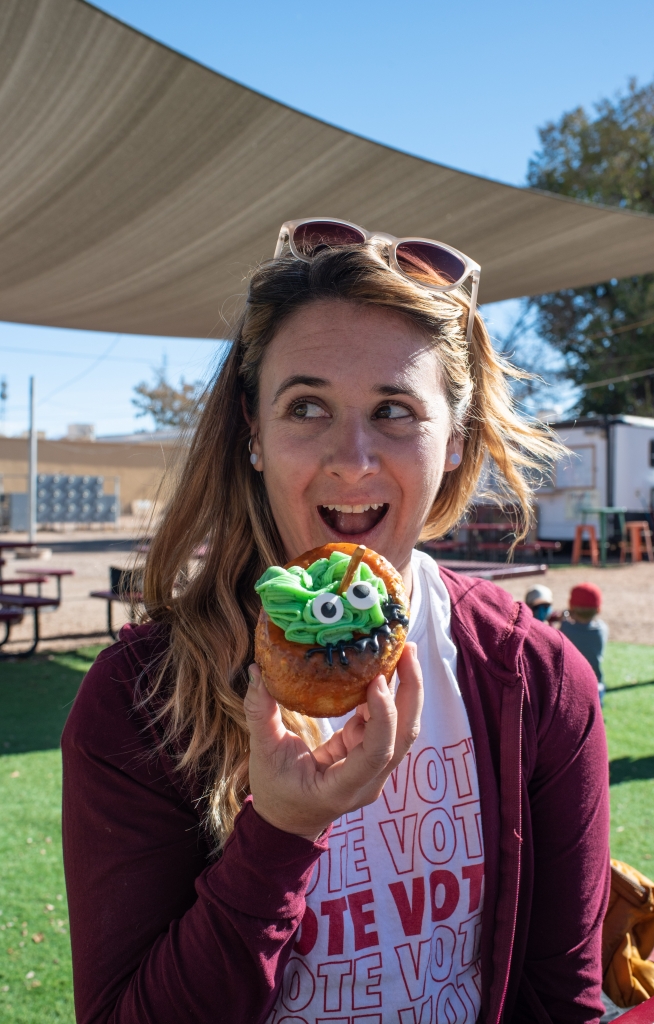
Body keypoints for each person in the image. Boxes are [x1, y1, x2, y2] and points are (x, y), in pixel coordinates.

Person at [62, 222, 610, 1024]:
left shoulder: (537, 680)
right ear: (253, 433)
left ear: (454, 442)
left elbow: (561, 1003)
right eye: (306, 406)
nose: (352, 458)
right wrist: (280, 831)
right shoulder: (139, 699)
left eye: (394, 410)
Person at [560, 583, 609, 706]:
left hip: (571, 687)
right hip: (595, 686)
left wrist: (565, 614)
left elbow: (564, 621)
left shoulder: (565, 628)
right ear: (598, 609)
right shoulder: (601, 630)